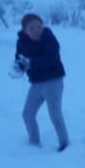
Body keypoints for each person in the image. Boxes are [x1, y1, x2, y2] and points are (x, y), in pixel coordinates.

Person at [14, 13, 70, 152]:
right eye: (32, 28)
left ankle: (64, 144)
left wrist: (30, 63)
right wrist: (19, 66)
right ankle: (34, 142)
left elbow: (51, 58)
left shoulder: (48, 38)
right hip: (36, 83)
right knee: (27, 113)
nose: (36, 30)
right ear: (25, 30)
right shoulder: (22, 41)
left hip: (53, 81)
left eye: (39, 26)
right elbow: (19, 57)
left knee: (55, 114)